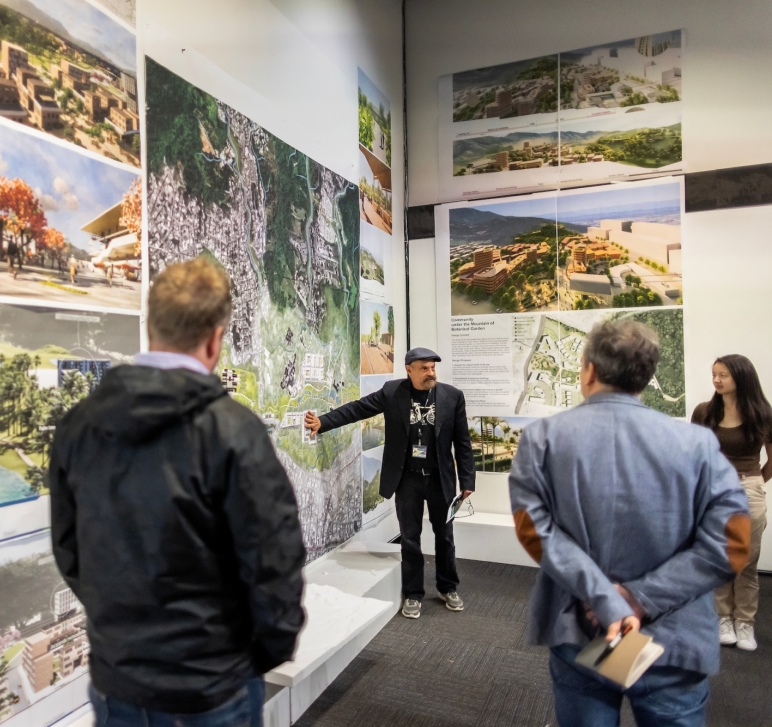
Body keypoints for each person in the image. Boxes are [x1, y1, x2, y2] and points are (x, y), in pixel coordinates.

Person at [50, 258, 305, 727]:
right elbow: (274, 559)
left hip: (117, 679)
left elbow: (69, 551)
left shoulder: (77, 425)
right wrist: (258, 655)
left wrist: (125, 634)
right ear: (215, 339)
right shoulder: (233, 432)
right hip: (212, 687)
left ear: (151, 326)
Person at [508, 321, 750, 727]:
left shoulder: (543, 438)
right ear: (646, 376)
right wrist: (640, 597)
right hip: (673, 635)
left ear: (587, 371)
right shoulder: (698, 444)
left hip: (582, 629)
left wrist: (607, 598)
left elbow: (534, 529)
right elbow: (733, 544)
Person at [305, 347, 475, 619]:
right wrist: (323, 422)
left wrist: (467, 480)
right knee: (410, 539)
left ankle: (447, 587)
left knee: (445, 537)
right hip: (406, 479)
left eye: (432, 368)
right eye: (424, 368)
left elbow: (463, 443)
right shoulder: (393, 392)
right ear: (409, 369)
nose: (431, 373)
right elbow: (358, 409)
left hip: (439, 480)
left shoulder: (452, 397)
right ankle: (413, 594)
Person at [692, 354, 772, 652]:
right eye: (714, 374)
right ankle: (722, 618)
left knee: (747, 561)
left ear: (741, 377)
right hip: (713, 489)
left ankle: (745, 623)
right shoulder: (704, 412)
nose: (717, 379)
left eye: (723, 374)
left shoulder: (763, 413)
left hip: (748, 487)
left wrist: (753, 482)